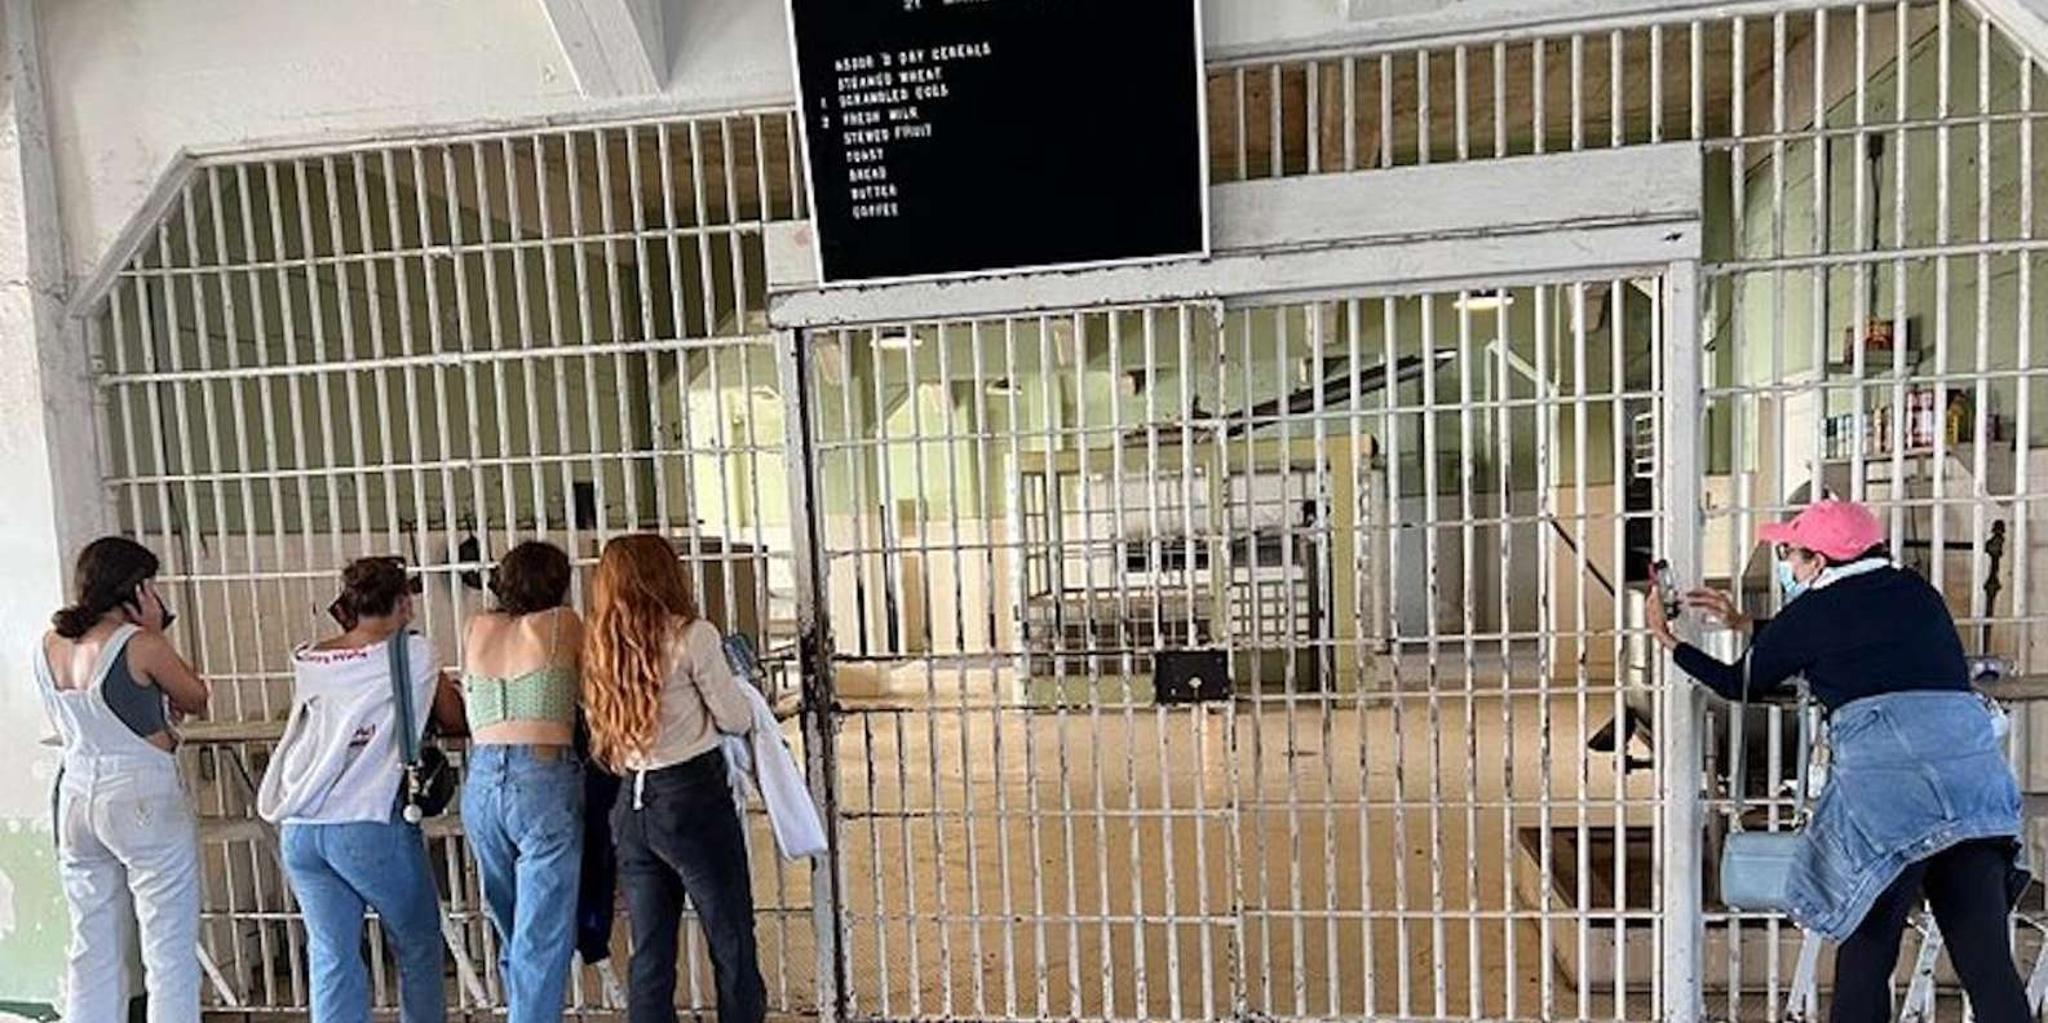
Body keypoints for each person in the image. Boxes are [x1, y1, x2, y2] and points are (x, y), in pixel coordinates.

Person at [1648, 499, 2028, 1023]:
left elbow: (1743, 682)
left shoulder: (1811, 611)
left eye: (1792, 554)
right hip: (1974, 789)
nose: (1788, 563)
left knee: (1867, 956)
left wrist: (1671, 645)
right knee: (1988, 966)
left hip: (1890, 805)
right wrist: (1745, 623)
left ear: (1820, 562)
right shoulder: (1918, 593)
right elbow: (1863, 640)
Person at [258, 556, 465, 1023]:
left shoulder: (309, 656)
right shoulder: (413, 653)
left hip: (302, 827)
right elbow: (453, 718)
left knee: (332, 956)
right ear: (404, 603)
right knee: (417, 946)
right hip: (368, 823)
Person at [582, 534, 764, 1023]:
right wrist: (749, 697)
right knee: (730, 938)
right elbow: (733, 718)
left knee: (651, 950)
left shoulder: (602, 645)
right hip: (692, 799)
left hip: (631, 803)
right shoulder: (693, 635)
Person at [35, 537, 209, 1023]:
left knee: (91, 942)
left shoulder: (50, 643)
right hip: (139, 794)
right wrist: (154, 630)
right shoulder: (141, 644)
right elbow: (195, 697)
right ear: (135, 588)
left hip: (75, 793)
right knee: (167, 941)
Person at [460, 541, 585, 1023]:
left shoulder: (477, 628)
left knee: (511, 924)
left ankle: (522, 1009)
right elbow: (596, 690)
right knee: (542, 934)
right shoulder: (563, 625)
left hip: (483, 779)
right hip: (543, 778)